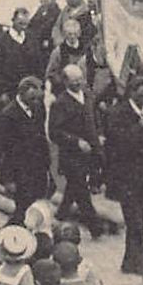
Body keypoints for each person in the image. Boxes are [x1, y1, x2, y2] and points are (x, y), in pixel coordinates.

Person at [105, 74, 143, 284]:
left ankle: (129, 262)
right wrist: (141, 126)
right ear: (131, 92)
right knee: (135, 223)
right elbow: (117, 144)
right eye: (141, 90)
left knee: (140, 221)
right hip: (124, 179)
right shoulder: (117, 113)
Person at [50, 63, 112, 238]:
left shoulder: (88, 96)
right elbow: (54, 132)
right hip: (71, 156)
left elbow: (96, 118)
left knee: (73, 188)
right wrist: (76, 142)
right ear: (65, 81)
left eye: (80, 79)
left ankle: (61, 214)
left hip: (91, 152)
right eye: (74, 80)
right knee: (82, 191)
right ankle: (96, 228)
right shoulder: (60, 103)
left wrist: (100, 134)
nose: (78, 83)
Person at [0, 76, 51, 220]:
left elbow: (41, 138)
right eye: (32, 99)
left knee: (29, 208)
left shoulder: (38, 108)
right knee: (23, 209)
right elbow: (2, 150)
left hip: (36, 169)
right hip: (18, 173)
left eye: (37, 99)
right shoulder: (7, 116)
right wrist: (7, 179)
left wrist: (47, 165)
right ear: (22, 93)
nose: (36, 102)